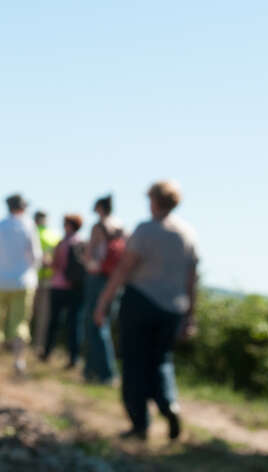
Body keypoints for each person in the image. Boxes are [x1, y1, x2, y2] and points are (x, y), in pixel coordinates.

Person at [94, 180, 199, 441]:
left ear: (153, 200)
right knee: (161, 360)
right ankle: (168, 404)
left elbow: (124, 269)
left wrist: (103, 302)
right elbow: (191, 278)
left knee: (133, 362)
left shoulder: (146, 230)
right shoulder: (187, 233)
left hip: (141, 301)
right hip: (173, 308)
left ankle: (139, 424)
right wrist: (190, 315)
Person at [0, 194, 42, 373]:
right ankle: (18, 361)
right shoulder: (29, 226)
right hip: (23, 282)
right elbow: (36, 256)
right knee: (20, 322)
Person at [82, 195, 124, 384]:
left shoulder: (98, 227)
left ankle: (102, 372)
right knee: (103, 322)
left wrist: (86, 261)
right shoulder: (120, 226)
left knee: (95, 323)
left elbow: (90, 255)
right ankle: (96, 370)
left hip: (97, 277)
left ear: (99, 207)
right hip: (114, 279)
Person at [41, 214, 86, 368]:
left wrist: (46, 261)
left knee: (53, 322)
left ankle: (47, 352)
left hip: (59, 286)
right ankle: (74, 357)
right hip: (76, 288)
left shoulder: (63, 243)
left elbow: (55, 264)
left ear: (68, 225)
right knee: (74, 324)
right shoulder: (82, 242)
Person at [31, 211, 61, 351]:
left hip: (32, 278)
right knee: (43, 314)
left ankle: (18, 343)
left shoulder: (32, 233)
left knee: (27, 313)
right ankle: (38, 344)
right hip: (48, 279)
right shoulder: (54, 235)